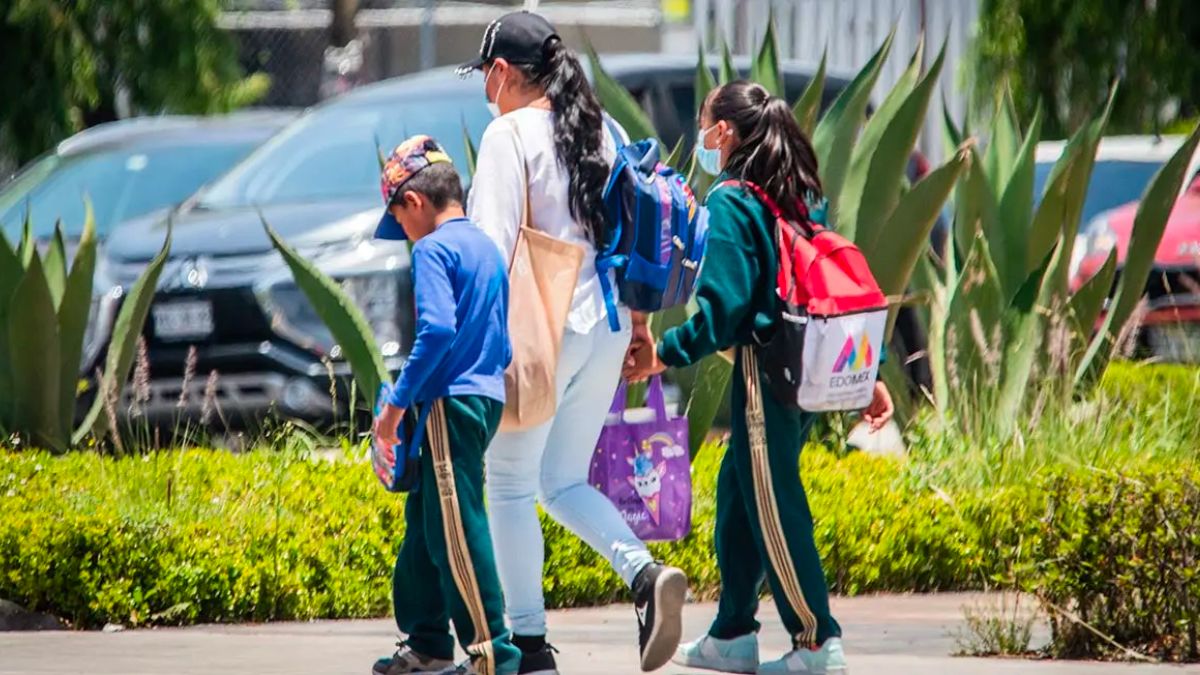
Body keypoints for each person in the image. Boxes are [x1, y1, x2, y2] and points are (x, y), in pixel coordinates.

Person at [625, 81, 896, 675]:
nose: (699, 138)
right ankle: (732, 634)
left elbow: (723, 311)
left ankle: (815, 641)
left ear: (723, 132)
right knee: (739, 495)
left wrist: (661, 353)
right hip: (802, 369)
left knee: (774, 502)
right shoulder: (792, 196)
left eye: (703, 125)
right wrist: (868, 374)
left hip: (763, 375)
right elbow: (821, 289)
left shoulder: (731, 201)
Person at [458, 11, 687, 675]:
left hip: (542, 325)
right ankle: (644, 574)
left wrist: (468, 347)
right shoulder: (603, 128)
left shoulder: (509, 135)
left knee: (507, 480)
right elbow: (633, 230)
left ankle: (527, 647)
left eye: (485, 77)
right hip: (609, 325)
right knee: (557, 480)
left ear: (502, 72)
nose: (484, 92)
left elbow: (490, 250)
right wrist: (642, 326)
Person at [371, 136, 520, 675]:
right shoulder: (485, 248)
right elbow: (501, 341)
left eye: (398, 221)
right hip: (482, 398)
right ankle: (429, 642)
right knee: (427, 526)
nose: (402, 235)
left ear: (413, 203)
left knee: (457, 527)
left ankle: (490, 654)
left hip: (448, 403)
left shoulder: (432, 249)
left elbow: (435, 331)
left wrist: (396, 407)